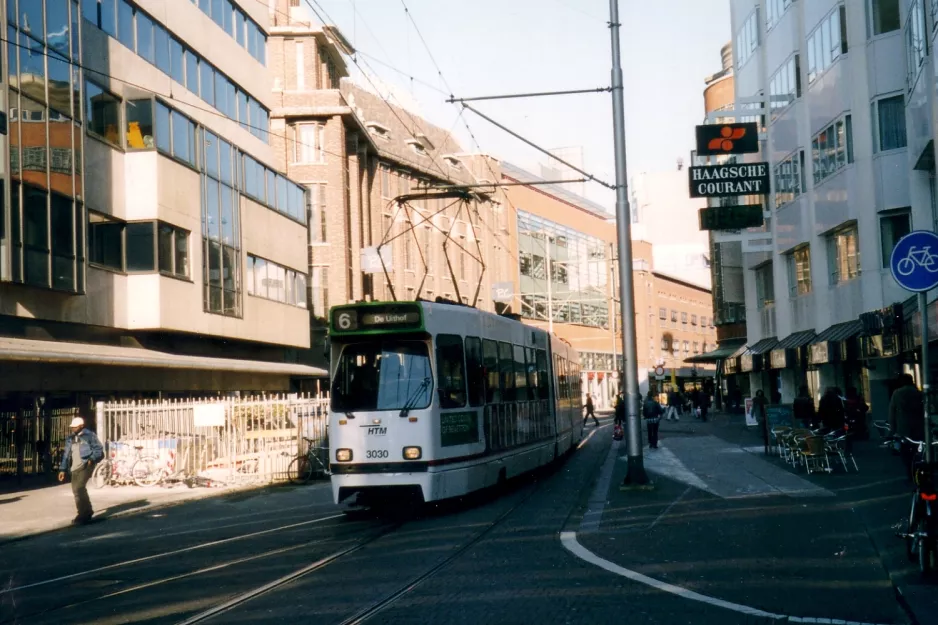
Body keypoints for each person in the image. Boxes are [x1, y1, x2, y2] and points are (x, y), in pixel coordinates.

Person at [58, 417, 104, 525]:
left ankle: (82, 514)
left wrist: (91, 459)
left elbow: (98, 449)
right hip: (74, 467)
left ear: (81, 426)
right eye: (72, 427)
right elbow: (66, 455)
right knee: (76, 490)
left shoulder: (89, 436)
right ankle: (87, 511)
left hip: (85, 465)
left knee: (79, 489)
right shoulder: (70, 438)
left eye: (75, 427)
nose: (73, 429)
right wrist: (62, 469)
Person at [889, 373, 925, 481]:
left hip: (903, 428)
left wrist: (892, 429)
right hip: (919, 428)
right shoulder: (918, 393)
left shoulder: (897, 393)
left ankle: (910, 472)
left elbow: (892, 412)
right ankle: (918, 471)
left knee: (905, 452)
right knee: (918, 451)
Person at [752, 390, 769, 454]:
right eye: (758, 393)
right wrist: (752, 413)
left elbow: (768, 404)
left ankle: (763, 434)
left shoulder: (764, 399)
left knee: (763, 424)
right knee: (760, 423)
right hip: (759, 413)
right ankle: (761, 434)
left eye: (760, 392)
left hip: (764, 412)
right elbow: (754, 407)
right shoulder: (755, 399)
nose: (759, 394)